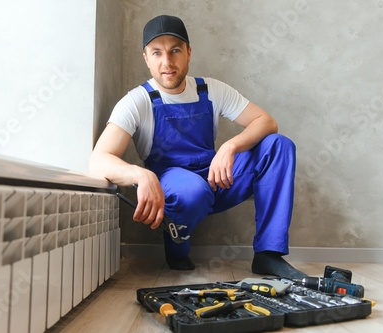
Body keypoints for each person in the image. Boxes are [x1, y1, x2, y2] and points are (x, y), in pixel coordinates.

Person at [89, 14, 307, 279]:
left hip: (218, 177)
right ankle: (177, 245)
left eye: (175, 51)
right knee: (193, 190)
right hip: (175, 184)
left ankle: (268, 255)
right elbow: (99, 159)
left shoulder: (211, 90)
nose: (167, 62)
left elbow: (266, 122)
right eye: (156, 53)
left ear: (189, 53)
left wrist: (230, 147)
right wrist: (141, 174)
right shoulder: (137, 101)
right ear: (146, 57)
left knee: (278, 146)